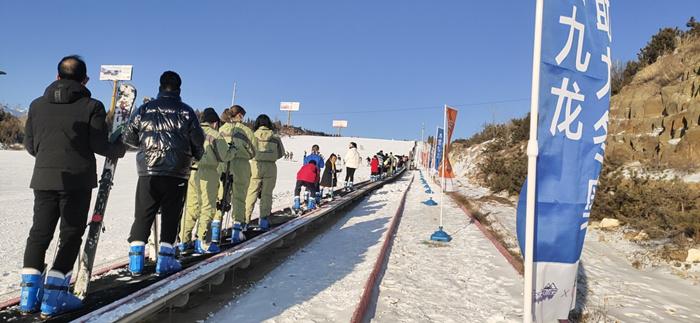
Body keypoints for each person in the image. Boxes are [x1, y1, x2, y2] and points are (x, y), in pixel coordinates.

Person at [19, 56, 127, 316]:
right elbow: (99, 145)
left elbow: (31, 145)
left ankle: (28, 295)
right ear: (85, 80)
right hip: (77, 180)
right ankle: (54, 297)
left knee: (39, 233)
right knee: (70, 234)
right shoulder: (92, 106)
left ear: (57, 76)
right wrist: (119, 149)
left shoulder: (36, 105)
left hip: (44, 178)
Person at [123, 71, 205, 276]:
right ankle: (165, 261)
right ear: (179, 88)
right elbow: (197, 141)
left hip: (148, 171)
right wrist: (195, 155)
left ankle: (135, 262)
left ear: (160, 86)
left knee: (143, 213)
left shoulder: (144, 109)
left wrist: (145, 146)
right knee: (171, 214)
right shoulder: (187, 112)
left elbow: (129, 136)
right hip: (177, 171)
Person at [179, 108, 239, 254]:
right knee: (207, 206)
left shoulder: (191, 131)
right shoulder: (215, 135)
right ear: (215, 123)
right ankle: (202, 241)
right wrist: (232, 150)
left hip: (191, 171)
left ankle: (183, 241)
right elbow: (224, 156)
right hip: (208, 172)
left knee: (191, 208)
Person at [218, 105, 257, 243]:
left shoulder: (221, 129)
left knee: (221, 197)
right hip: (241, 165)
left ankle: (216, 231)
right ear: (240, 115)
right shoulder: (246, 131)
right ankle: (236, 231)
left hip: (223, 164)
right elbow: (254, 151)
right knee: (239, 198)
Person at [245, 115, 285, 232]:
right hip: (270, 167)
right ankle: (263, 220)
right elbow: (281, 153)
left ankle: (245, 221)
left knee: (251, 193)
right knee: (266, 194)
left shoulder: (253, 136)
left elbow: (248, 150)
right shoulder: (275, 137)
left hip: (255, 166)